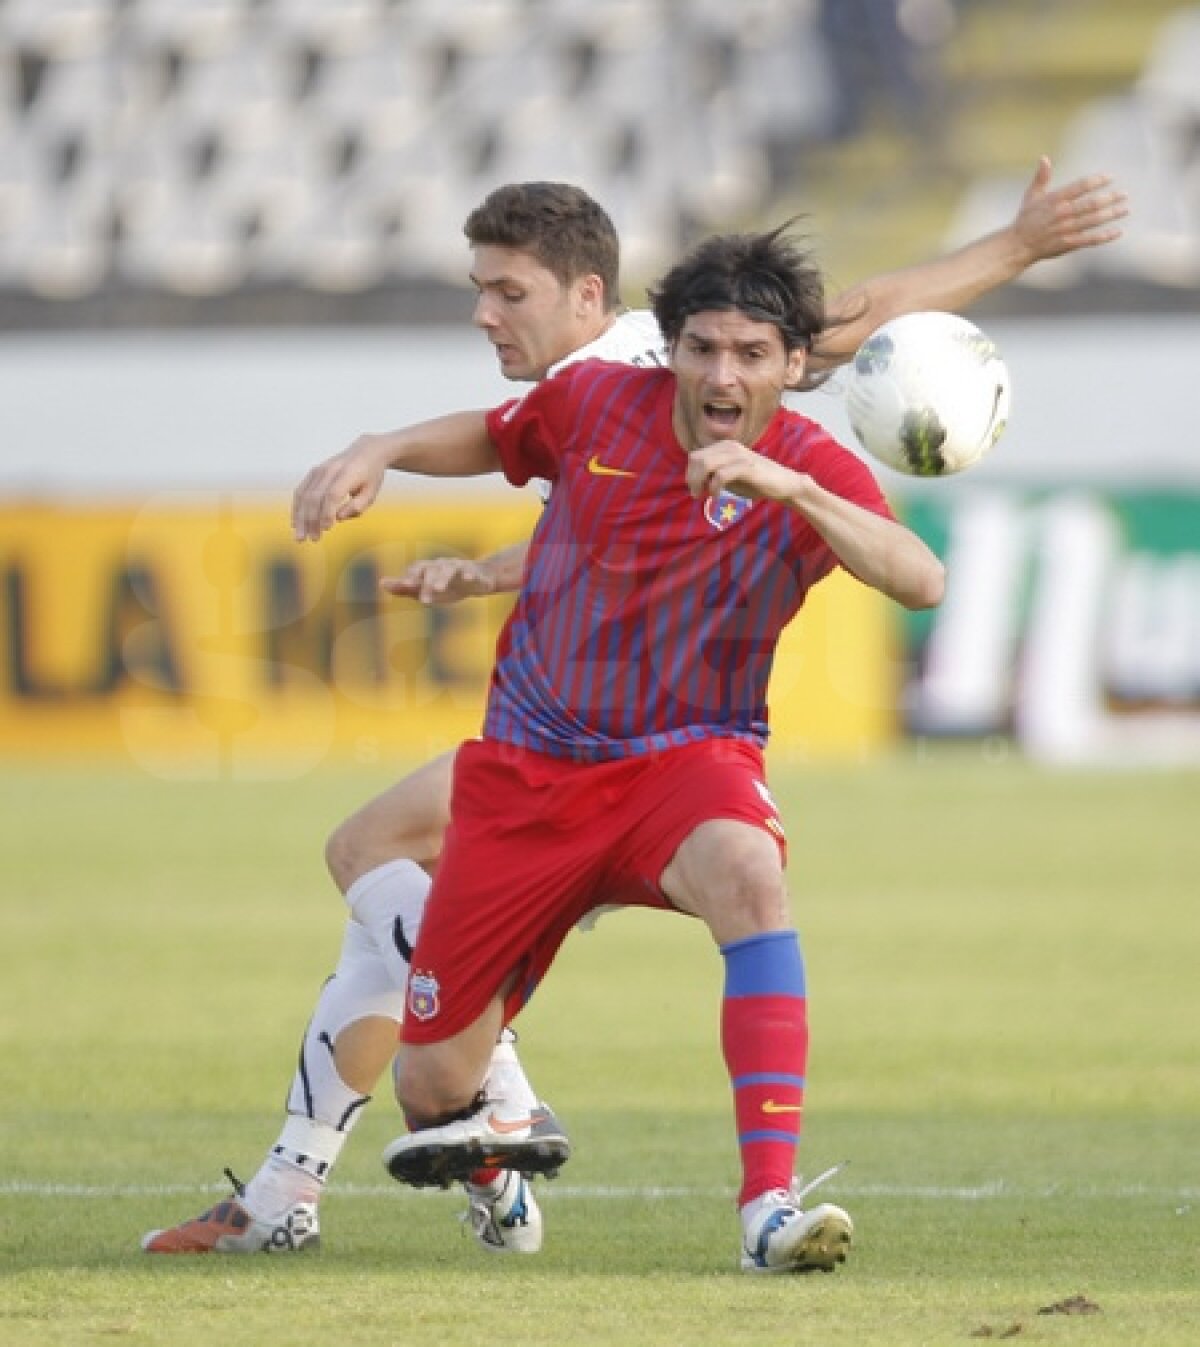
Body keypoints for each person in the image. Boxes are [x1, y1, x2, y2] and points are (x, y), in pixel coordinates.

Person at [143, 162, 1127, 1257]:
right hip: (542, 755)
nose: (485, 313)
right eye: (480, 288)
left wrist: (1019, 245)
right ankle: (436, 1119)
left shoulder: (689, 375)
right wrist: (459, 544)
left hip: (675, 753)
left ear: (589, 296)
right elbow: (590, 509)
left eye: (507, 291)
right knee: (415, 1024)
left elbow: (857, 319)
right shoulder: (593, 400)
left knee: (426, 854)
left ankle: (727, 1198)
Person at [340, 221, 945, 1275]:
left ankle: (767, 1208)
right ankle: (495, 1165)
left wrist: (793, 491)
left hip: (686, 763)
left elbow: (919, 577)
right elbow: (493, 435)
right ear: (668, 350)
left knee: (751, 877)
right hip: (529, 776)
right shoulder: (591, 406)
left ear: (794, 367)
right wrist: (383, 450)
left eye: (752, 355)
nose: (723, 373)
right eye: (702, 347)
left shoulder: (804, 466)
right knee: (431, 1088)